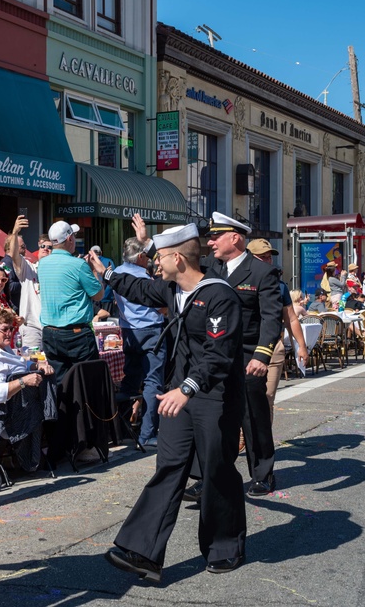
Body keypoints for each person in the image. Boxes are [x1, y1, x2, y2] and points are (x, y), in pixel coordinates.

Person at [88, 223, 247, 578]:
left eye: (159, 257)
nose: (154, 263)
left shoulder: (220, 296)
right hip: (179, 393)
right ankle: (142, 551)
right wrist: (108, 273)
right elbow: (141, 289)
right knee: (169, 466)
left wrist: (187, 388)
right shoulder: (171, 288)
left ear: (178, 258)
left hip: (214, 396)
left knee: (217, 471)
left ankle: (225, 545)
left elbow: (218, 356)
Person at [204, 212, 282, 497]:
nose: (210, 242)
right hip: (216, 356)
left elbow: (271, 318)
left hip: (248, 356)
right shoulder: (212, 270)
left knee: (253, 418)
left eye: (216, 236)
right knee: (213, 418)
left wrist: (262, 356)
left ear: (234, 238)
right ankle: (210, 475)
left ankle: (262, 473)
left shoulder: (261, 272)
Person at [0, 307, 55, 472]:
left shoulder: (2, 348)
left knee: (52, 394)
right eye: (5, 329)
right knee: (48, 404)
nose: (9, 333)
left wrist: (37, 364)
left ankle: (42, 453)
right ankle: (39, 456)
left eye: (11, 329)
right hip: (4, 417)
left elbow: (19, 363)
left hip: (19, 409)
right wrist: (23, 381)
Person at [112, 237, 166, 448]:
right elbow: (160, 305)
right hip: (151, 330)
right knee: (153, 382)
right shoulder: (146, 277)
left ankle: (123, 428)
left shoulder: (116, 273)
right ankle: (147, 434)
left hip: (128, 331)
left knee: (130, 380)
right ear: (142, 256)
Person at [247, 239, 308, 421]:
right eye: (262, 257)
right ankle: (243, 433)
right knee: (242, 398)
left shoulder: (279, 286)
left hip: (273, 348)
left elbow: (290, 318)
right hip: (244, 348)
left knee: (266, 398)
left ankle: (262, 445)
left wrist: (302, 346)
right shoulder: (237, 281)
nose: (268, 261)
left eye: (269, 257)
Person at [38, 221, 103, 384]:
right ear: (69, 239)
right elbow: (98, 295)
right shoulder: (78, 265)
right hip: (76, 335)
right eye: (73, 235)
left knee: (60, 385)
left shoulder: (43, 263)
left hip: (51, 332)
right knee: (88, 384)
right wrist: (94, 271)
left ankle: (62, 410)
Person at [6, 216, 46, 349]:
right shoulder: (29, 268)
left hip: (53, 329)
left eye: (49, 247)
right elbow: (14, 254)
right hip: (32, 328)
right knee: (32, 365)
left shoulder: (58, 273)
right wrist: (15, 232)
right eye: (43, 246)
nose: (46, 249)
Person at [90, 245, 117, 317]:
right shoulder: (109, 261)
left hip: (94, 297)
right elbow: (114, 279)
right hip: (107, 296)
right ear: (101, 253)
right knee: (107, 321)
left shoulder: (88, 262)